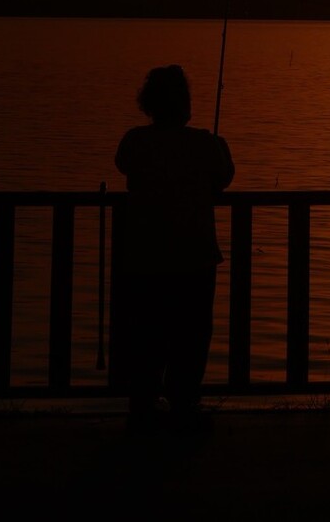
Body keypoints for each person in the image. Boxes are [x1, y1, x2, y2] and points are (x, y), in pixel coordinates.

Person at [114, 64, 234, 434]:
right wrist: (218, 146)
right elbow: (224, 178)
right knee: (191, 333)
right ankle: (184, 402)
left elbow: (125, 167)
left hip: (145, 255)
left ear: (148, 104)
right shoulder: (205, 144)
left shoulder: (134, 141)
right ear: (185, 104)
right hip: (194, 255)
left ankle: (144, 402)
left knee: (147, 331)